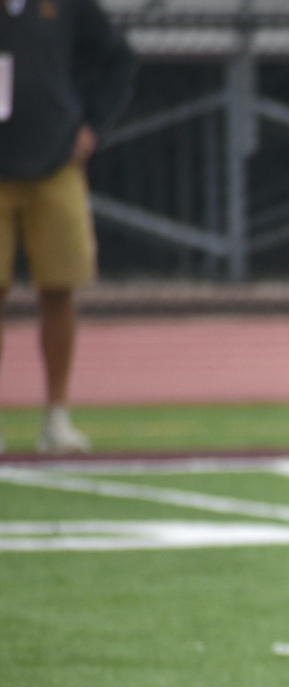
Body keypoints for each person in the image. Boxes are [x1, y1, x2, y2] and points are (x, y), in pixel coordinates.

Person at [0, 0, 135, 454]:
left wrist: (94, 123)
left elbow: (118, 57)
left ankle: (56, 414)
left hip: (54, 162)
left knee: (59, 286)